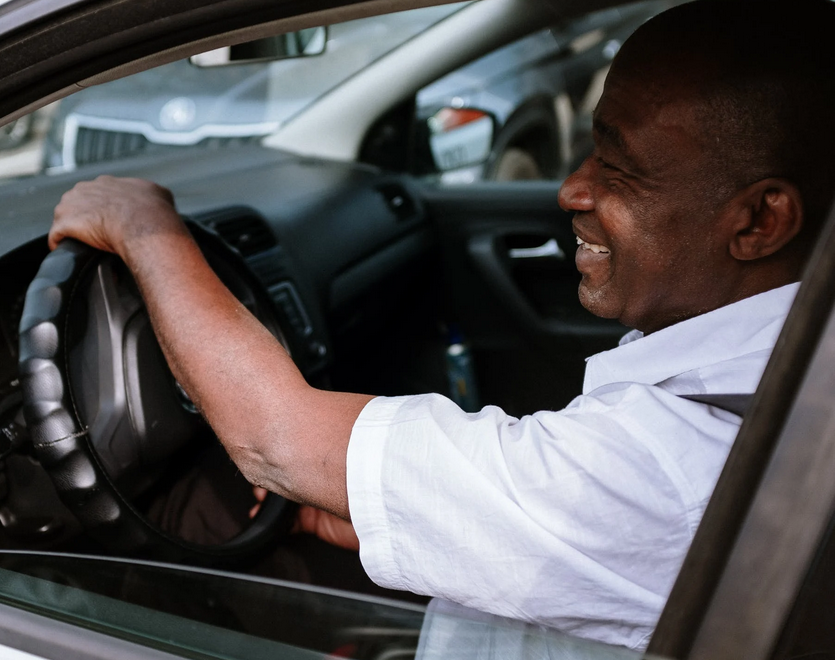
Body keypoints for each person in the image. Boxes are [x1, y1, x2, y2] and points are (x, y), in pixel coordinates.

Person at [46, 0, 835, 650]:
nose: (569, 191)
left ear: (760, 221)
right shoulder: (779, 386)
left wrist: (144, 229)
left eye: (618, 167)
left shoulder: (671, 465)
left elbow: (272, 441)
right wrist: (429, 523)